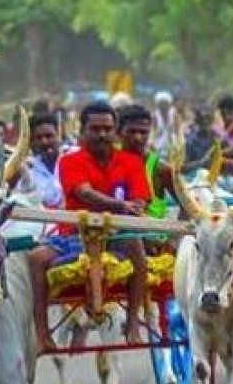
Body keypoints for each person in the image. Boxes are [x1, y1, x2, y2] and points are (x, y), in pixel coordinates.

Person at [28, 101, 150, 351]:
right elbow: (83, 192)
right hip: (74, 237)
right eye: (95, 129)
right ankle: (41, 334)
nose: (102, 135)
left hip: (117, 235)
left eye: (107, 129)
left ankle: (134, 323)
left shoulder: (131, 162)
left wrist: (132, 208)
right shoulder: (70, 161)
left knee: (137, 246)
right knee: (35, 259)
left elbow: (140, 199)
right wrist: (121, 205)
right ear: (82, 131)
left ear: (115, 130)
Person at [117, 103, 179, 219]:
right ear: (118, 133)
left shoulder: (161, 169)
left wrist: (177, 235)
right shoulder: (108, 163)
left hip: (152, 234)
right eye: (131, 131)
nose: (138, 138)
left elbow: (186, 208)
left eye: (143, 132)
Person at [26, 113, 63, 208]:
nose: (44, 142)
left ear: (58, 136)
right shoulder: (28, 169)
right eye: (39, 138)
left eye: (49, 136)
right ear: (32, 141)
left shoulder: (73, 159)